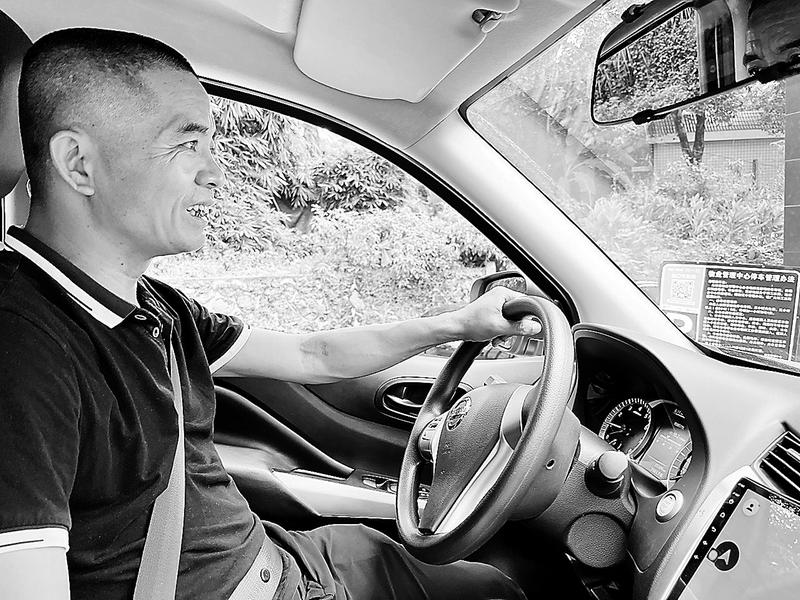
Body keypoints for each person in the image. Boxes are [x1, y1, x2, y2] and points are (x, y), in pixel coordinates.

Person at [0, 28, 535, 600]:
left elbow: (312, 355)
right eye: (186, 144)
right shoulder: (22, 349)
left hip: (286, 559)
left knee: (491, 588)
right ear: (79, 164)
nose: (215, 172)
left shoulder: (155, 304)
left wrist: (460, 324)